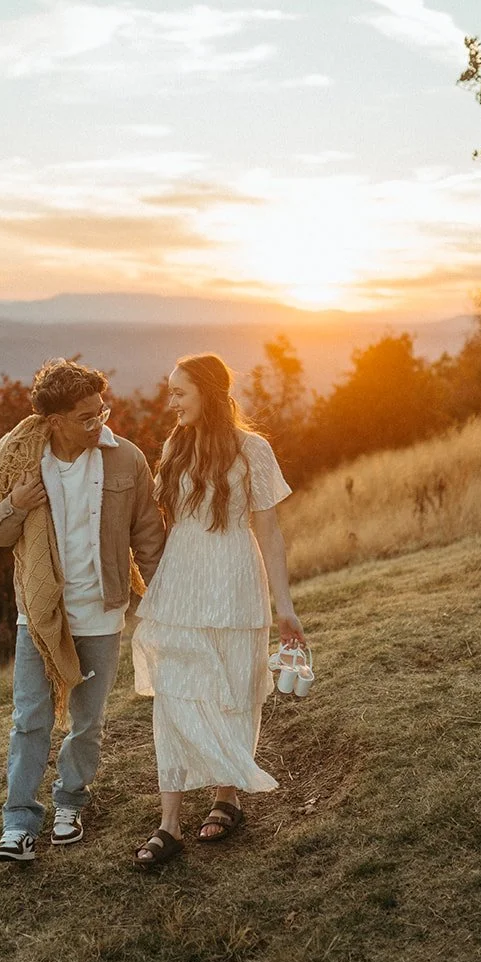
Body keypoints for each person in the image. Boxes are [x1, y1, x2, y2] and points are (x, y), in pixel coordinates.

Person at [0, 358, 165, 864]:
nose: (99, 423)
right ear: (54, 420)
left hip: (102, 613)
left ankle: (70, 802)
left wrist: (164, 597)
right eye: (86, 417)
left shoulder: (126, 459)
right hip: (40, 616)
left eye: (102, 411)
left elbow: (148, 534)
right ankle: (18, 824)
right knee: (30, 720)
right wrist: (17, 503)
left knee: (88, 722)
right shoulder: (19, 457)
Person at [131, 353, 306, 869]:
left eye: (179, 392)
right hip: (182, 581)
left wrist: (285, 608)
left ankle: (226, 797)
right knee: (173, 694)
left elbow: (269, 532)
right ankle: (168, 825)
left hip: (235, 580)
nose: (171, 402)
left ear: (207, 392)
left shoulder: (253, 450)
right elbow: (167, 523)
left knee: (234, 689)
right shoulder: (175, 445)